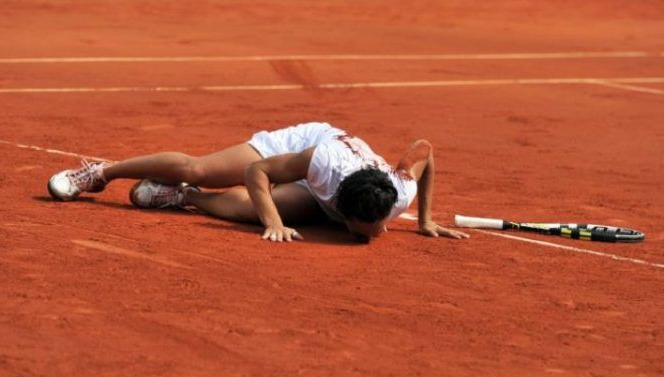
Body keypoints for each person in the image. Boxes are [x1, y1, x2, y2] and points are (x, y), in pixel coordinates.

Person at [47, 122, 469, 243]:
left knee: (255, 208)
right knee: (202, 169)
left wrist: (424, 221)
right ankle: (101, 173)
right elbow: (258, 173)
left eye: (377, 226)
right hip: (295, 149)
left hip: (334, 186)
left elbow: (424, 148)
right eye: (369, 228)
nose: (376, 234)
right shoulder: (320, 162)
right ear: (341, 206)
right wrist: (273, 222)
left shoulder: (395, 195)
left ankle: (180, 196)